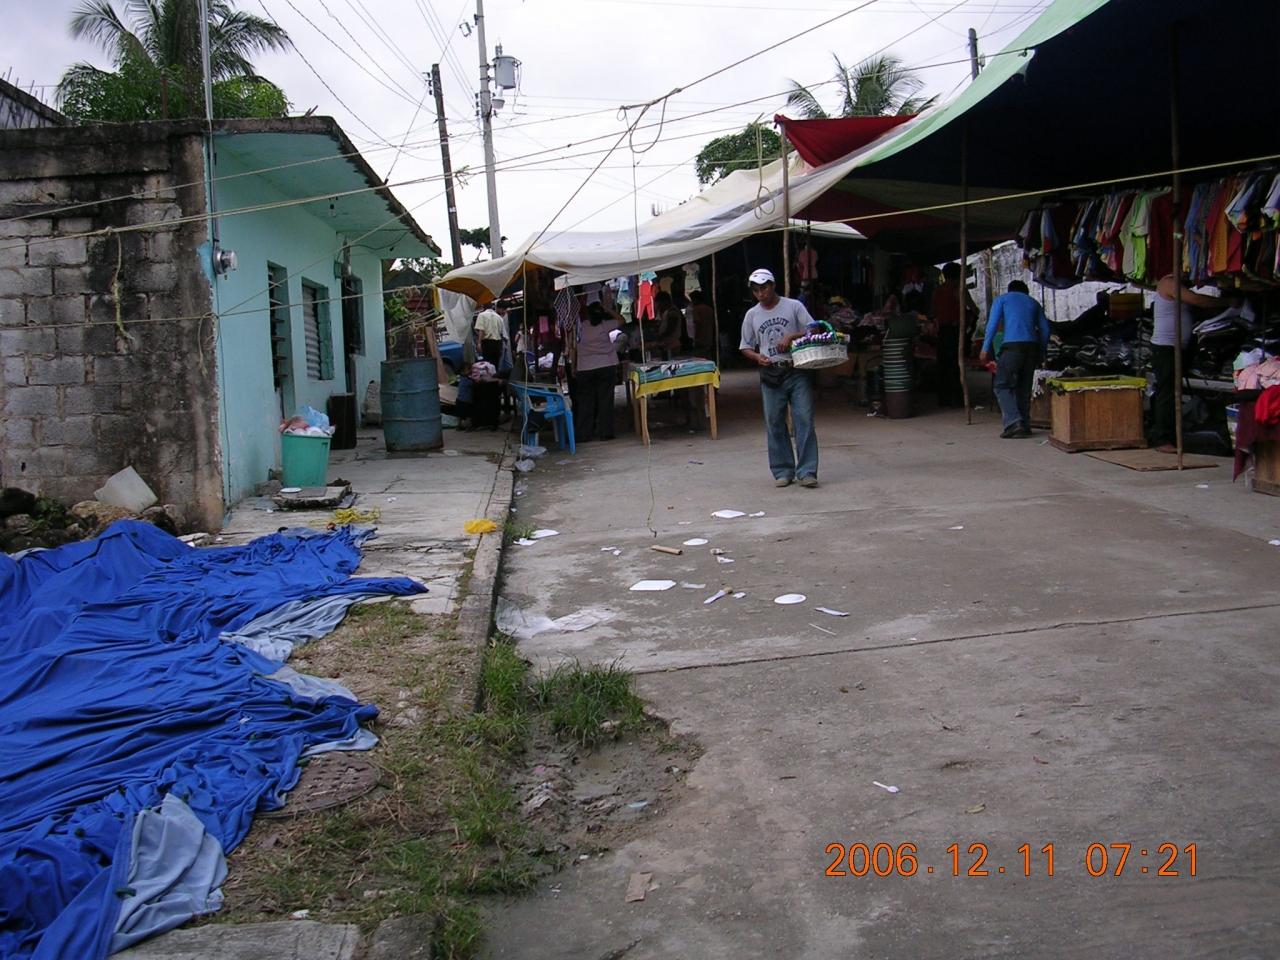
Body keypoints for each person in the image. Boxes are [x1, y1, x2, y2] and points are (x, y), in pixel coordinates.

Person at [739, 268, 820, 488]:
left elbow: (814, 330)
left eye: (764, 288)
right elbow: (745, 346)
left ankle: (807, 471)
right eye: (756, 290)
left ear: (773, 285)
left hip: (796, 369)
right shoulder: (752, 315)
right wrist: (757, 357)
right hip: (770, 373)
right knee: (774, 422)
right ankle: (783, 470)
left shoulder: (793, 306)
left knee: (804, 419)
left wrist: (792, 336)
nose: (761, 293)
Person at [1149, 275, 1220, 452]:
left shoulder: (1181, 287)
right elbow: (1197, 300)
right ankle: (1162, 439)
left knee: (1171, 392)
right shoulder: (1168, 283)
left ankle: (1168, 434)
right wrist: (1227, 302)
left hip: (1177, 348)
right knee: (1167, 392)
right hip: (1166, 348)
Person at [980, 280, 1051, 438]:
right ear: (1026, 291)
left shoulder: (1002, 300)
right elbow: (1045, 330)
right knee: (1024, 388)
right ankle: (1024, 425)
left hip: (1012, 348)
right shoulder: (1034, 302)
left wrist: (985, 348)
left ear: (1010, 290)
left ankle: (1014, 422)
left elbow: (992, 326)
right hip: (1032, 348)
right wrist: (1041, 351)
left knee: (1002, 385)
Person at [930, 262, 978, 407]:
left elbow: (933, 312)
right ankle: (957, 399)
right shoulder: (959, 290)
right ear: (958, 276)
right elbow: (974, 309)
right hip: (955, 330)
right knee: (956, 365)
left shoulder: (937, 291)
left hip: (942, 331)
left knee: (943, 365)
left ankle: (943, 399)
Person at [574, 301, 622, 442]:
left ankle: (584, 433)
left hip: (585, 368)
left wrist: (573, 366)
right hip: (606, 365)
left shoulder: (579, 327)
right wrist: (608, 308)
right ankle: (605, 432)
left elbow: (573, 348)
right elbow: (621, 319)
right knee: (605, 400)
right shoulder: (604, 325)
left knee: (585, 402)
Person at [474, 300, 508, 366]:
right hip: (498, 344)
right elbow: (502, 333)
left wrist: (479, 343)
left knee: (488, 365)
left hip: (487, 343)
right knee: (495, 365)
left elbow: (481, 330)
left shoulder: (481, 315)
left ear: (483, 306)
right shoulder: (499, 317)